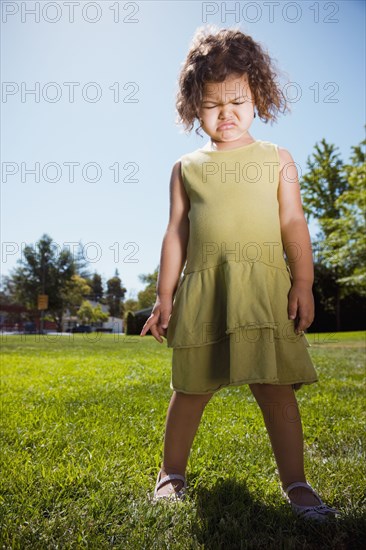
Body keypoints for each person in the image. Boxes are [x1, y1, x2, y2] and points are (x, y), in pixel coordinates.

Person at [140, 25, 339, 522]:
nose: (225, 114)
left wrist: (302, 282)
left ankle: (296, 482)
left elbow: (294, 221)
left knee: (275, 390)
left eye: (238, 101)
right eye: (212, 105)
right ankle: (171, 475)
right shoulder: (186, 167)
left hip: (264, 292)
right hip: (206, 291)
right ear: (193, 106)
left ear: (258, 97)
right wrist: (164, 299)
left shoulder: (278, 159)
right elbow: (176, 236)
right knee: (190, 389)